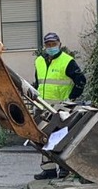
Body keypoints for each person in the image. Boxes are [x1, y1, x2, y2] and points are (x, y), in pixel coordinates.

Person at [33, 32, 85, 180]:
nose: (51, 47)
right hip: (43, 107)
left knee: (61, 138)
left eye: (53, 44)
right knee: (43, 138)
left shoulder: (68, 61)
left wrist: (71, 99)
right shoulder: (39, 61)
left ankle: (64, 169)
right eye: (48, 44)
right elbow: (38, 83)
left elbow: (81, 81)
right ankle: (48, 169)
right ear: (45, 46)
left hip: (62, 108)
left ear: (59, 44)